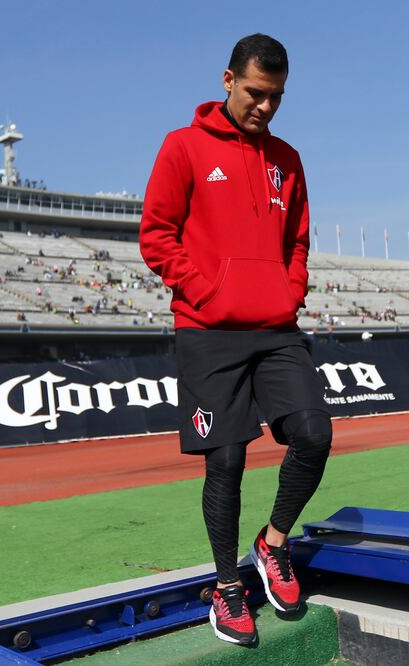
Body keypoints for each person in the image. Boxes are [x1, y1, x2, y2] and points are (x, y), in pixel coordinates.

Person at [140, 34, 331, 646]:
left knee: (314, 434)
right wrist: (208, 292)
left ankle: (272, 545)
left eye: (276, 97)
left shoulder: (287, 159)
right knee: (225, 461)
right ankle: (227, 588)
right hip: (208, 330)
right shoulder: (183, 147)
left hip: (275, 328)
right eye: (255, 93)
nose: (265, 107)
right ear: (228, 80)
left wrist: (289, 290)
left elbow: (297, 239)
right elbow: (156, 235)